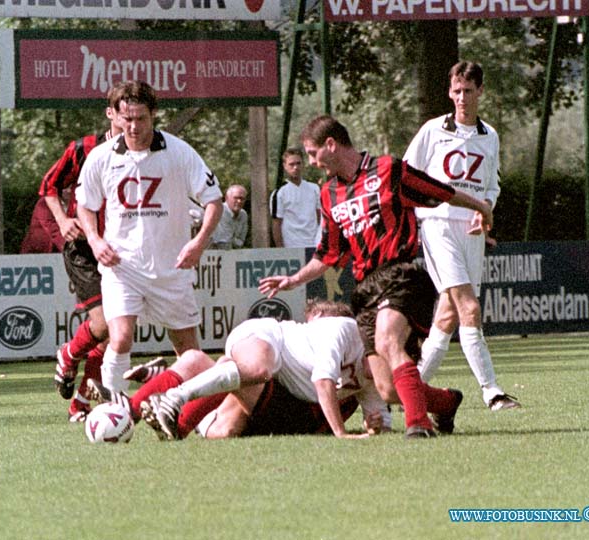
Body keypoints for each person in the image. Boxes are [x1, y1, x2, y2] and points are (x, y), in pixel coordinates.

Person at [258, 115, 492, 439]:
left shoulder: (388, 170)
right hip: (365, 289)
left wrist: (481, 207)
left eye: (313, 154)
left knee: (387, 339)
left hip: (400, 274)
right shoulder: (328, 195)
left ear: (331, 145)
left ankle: (419, 426)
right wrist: (294, 280)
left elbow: (439, 191)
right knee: (387, 390)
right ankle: (446, 402)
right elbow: (328, 253)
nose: (311, 162)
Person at [75, 80, 223, 394]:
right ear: (113, 117)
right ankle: (115, 409)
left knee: (190, 352)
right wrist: (95, 240)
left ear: (153, 114)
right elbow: (84, 206)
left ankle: (192, 411)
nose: (133, 126)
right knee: (121, 337)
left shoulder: (179, 152)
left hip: (172, 269)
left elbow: (214, 200)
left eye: (141, 118)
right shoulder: (101, 157)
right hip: (122, 267)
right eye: (126, 119)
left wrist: (198, 243)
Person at [89, 300, 409, 440]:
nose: (311, 328)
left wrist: (377, 423)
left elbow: (380, 412)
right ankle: (149, 404)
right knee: (256, 367)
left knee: (220, 426)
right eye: (311, 322)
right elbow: (323, 382)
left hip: (282, 400)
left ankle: (166, 396)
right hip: (268, 342)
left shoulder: (368, 371)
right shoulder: (337, 334)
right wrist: (341, 433)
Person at [403, 61, 519, 411]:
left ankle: (412, 388)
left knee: (449, 315)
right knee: (469, 307)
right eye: (457, 91)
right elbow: (407, 174)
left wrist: (483, 208)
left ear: (480, 91)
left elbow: (492, 186)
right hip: (438, 225)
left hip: (471, 231)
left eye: (469, 91)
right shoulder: (433, 130)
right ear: (449, 92)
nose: (462, 98)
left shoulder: (490, 136)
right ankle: (492, 391)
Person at [38, 98, 122, 422]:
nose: (129, 123)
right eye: (122, 114)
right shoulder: (84, 148)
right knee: (102, 324)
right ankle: (69, 354)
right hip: (83, 249)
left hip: (117, 251)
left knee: (116, 334)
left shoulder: (139, 155)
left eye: (135, 116)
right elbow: (49, 185)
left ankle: (82, 405)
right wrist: (61, 221)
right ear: (110, 114)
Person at [271, 147, 321, 248]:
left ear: (303, 164)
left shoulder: (314, 188)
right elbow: (276, 224)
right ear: (284, 166)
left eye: (298, 163)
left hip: (314, 245)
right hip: (292, 247)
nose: (295, 167)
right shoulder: (279, 193)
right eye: (291, 164)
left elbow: (319, 217)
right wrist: (281, 250)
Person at [209, 184, 248, 249]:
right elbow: (224, 242)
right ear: (227, 198)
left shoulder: (243, 214)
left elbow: (241, 241)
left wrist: (233, 240)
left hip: (234, 253)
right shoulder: (221, 211)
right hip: (214, 253)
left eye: (242, 198)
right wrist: (235, 241)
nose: (239, 201)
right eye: (236, 198)